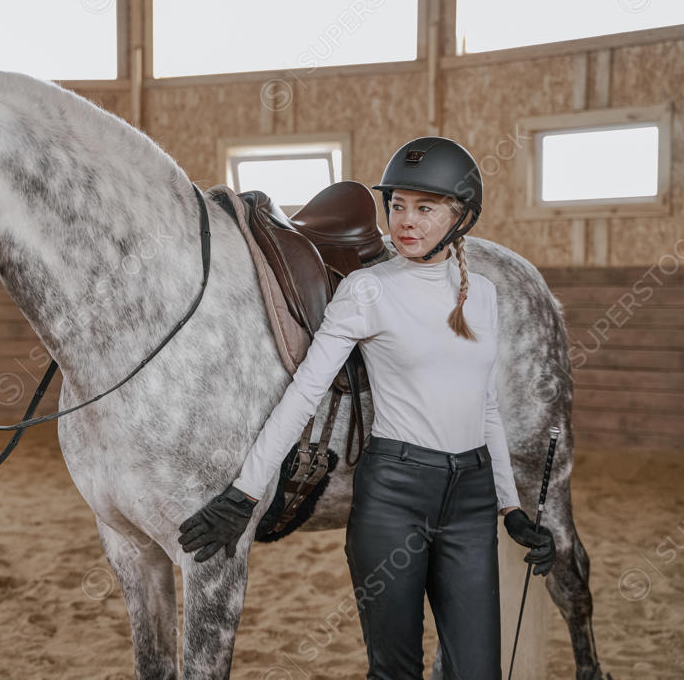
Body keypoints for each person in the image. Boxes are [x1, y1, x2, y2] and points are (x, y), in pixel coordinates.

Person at [177, 137, 557, 679]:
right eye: (397, 205)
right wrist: (244, 493)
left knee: (478, 671)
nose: (405, 221)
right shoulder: (367, 290)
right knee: (394, 672)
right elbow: (304, 392)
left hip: (471, 500)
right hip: (394, 497)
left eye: (425, 208)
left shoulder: (487, 296)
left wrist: (510, 507)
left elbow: (486, 407)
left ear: (461, 216)